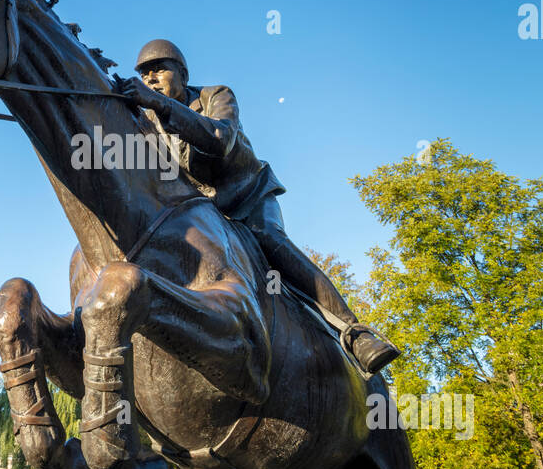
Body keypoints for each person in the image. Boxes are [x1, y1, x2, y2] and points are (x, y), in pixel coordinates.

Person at [117, 39, 399, 377]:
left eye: (159, 68)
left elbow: (220, 139)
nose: (151, 77)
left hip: (248, 198)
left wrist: (162, 107)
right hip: (203, 216)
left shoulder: (215, 95)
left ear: (183, 72)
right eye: (145, 73)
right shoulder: (147, 121)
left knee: (271, 241)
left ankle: (356, 333)